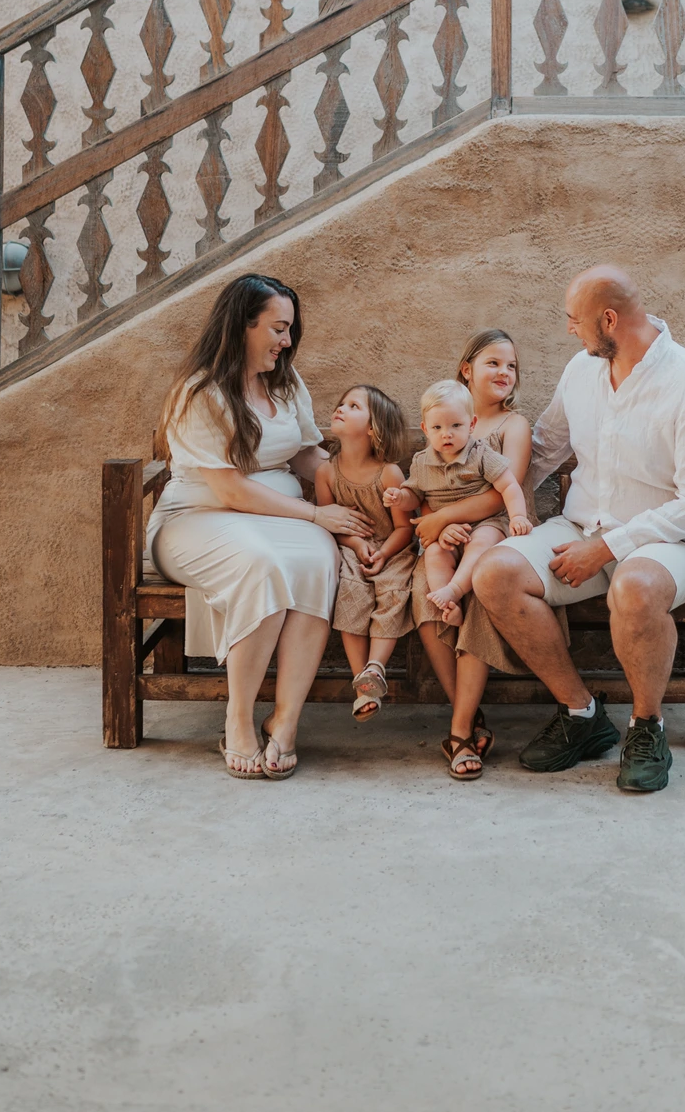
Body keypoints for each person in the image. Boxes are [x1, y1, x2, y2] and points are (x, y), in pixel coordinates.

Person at [472, 266, 685, 796]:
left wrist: (608, 548)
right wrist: (483, 514)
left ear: (608, 319)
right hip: (580, 525)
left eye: (575, 320)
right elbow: (543, 450)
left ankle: (645, 727)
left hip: (670, 543)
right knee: (494, 573)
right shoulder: (581, 370)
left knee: (633, 586)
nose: (570, 330)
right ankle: (582, 713)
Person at [147, 274, 373, 780]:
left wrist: (367, 499)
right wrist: (317, 515)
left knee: (319, 559)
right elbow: (229, 491)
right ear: (242, 326)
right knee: (262, 563)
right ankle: (238, 719)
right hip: (198, 519)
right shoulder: (199, 392)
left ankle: (286, 721)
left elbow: (310, 455)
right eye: (277, 328)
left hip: (279, 517)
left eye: (290, 330)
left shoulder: (286, 383)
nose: (286, 341)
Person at [385, 375, 532, 779]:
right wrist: (404, 499)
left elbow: (507, 488)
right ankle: (443, 596)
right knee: (433, 555)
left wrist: (517, 516)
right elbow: (416, 498)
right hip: (440, 535)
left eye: (453, 427)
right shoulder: (421, 461)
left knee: (482, 545)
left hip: (486, 526)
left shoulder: (482, 453)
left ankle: (455, 589)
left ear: (470, 426)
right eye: (437, 428)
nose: (445, 435)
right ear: (425, 430)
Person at [323, 384, 417, 723]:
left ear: (373, 428)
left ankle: (375, 667)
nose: (341, 408)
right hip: (350, 547)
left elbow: (405, 529)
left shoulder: (389, 472)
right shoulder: (326, 472)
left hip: (393, 549)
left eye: (353, 406)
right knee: (351, 589)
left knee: (392, 591)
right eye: (341, 402)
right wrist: (357, 545)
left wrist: (381, 552)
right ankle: (362, 682)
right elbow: (328, 523)